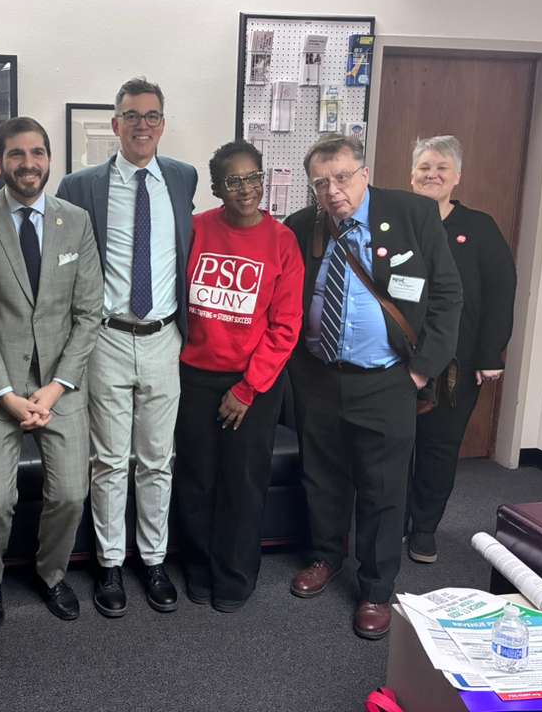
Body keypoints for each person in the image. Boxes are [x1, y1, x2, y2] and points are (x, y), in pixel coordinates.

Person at [285, 134, 462, 639]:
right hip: (319, 377)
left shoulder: (412, 215)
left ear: (364, 173)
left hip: (388, 379)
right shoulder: (302, 227)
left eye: (342, 176)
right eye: (321, 182)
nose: (333, 190)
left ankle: (377, 588)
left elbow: (448, 296)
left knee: (384, 489)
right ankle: (325, 557)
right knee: (321, 476)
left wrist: (421, 369)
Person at [0, 116, 103, 629]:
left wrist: (57, 387)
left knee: (70, 494)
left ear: (48, 158)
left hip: (59, 386)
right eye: (16, 154)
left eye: (37, 153)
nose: (28, 163)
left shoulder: (76, 221)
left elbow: (88, 314)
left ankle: (51, 574)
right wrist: (5, 394)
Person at [56, 77, 197, 618]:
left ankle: (154, 560)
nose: (142, 124)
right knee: (110, 461)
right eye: (132, 115)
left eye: (152, 115)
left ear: (163, 124)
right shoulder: (82, 185)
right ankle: (110, 563)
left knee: (158, 460)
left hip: (165, 337)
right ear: (115, 124)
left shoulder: (182, 179)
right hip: (107, 337)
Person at [174, 140, 304, 612]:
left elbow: (286, 326)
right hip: (194, 379)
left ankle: (235, 575)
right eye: (233, 180)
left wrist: (247, 389)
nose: (246, 188)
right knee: (196, 480)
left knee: (243, 483)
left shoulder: (282, 241)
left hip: (255, 384)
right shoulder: (194, 230)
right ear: (216, 188)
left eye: (253, 177)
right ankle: (199, 568)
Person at [406, 135, 516, 564]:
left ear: (457, 177)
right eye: (424, 167)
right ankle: (392, 521)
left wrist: (491, 355)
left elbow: (501, 292)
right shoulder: (397, 221)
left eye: (441, 168)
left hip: (457, 362)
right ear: (411, 175)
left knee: (439, 447)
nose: (432, 175)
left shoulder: (480, 228)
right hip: (399, 359)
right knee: (395, 446)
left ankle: (424, 529)